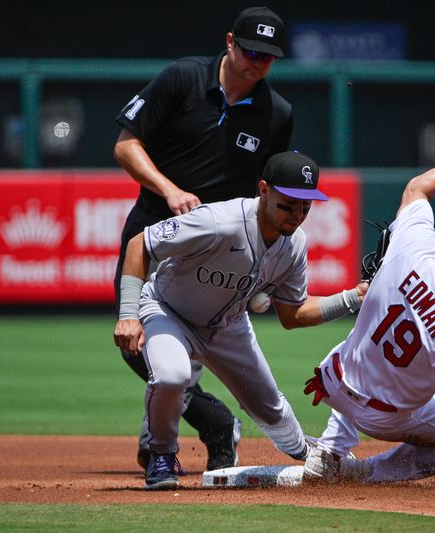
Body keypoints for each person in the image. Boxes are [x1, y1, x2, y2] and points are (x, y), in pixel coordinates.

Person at [113, 151, 368, 490]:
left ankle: (307, 454)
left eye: (305, 207)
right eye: (288, 204)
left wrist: (353, 298)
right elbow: (139, 244)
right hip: (168, 312)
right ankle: (161, 456)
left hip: (227, 325)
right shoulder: (219, 221)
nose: (297, 214)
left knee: (271, 407)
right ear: (264, 190)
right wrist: (129, 314)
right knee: (172, 375)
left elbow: (293, 314)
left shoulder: (294, 245)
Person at [112, 6, 293, 472]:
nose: (258, 63)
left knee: (186, 344)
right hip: (153, 229)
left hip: (218, 245)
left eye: (268, 57)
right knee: (136, 340)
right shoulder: (182, 78)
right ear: (230, 42)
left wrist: (262, 272)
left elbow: (272, 193)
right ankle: (214, 421)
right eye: (251, 51)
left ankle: (172, 430)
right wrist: (169, 190)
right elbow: (126, 144)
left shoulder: (276, 114)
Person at [302, 125, 435, 490]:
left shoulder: (414, 246)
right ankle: (371, 472)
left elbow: (418, 186)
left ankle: (330, 452)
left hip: (333, 379)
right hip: (379, 418)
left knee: (371, 354)